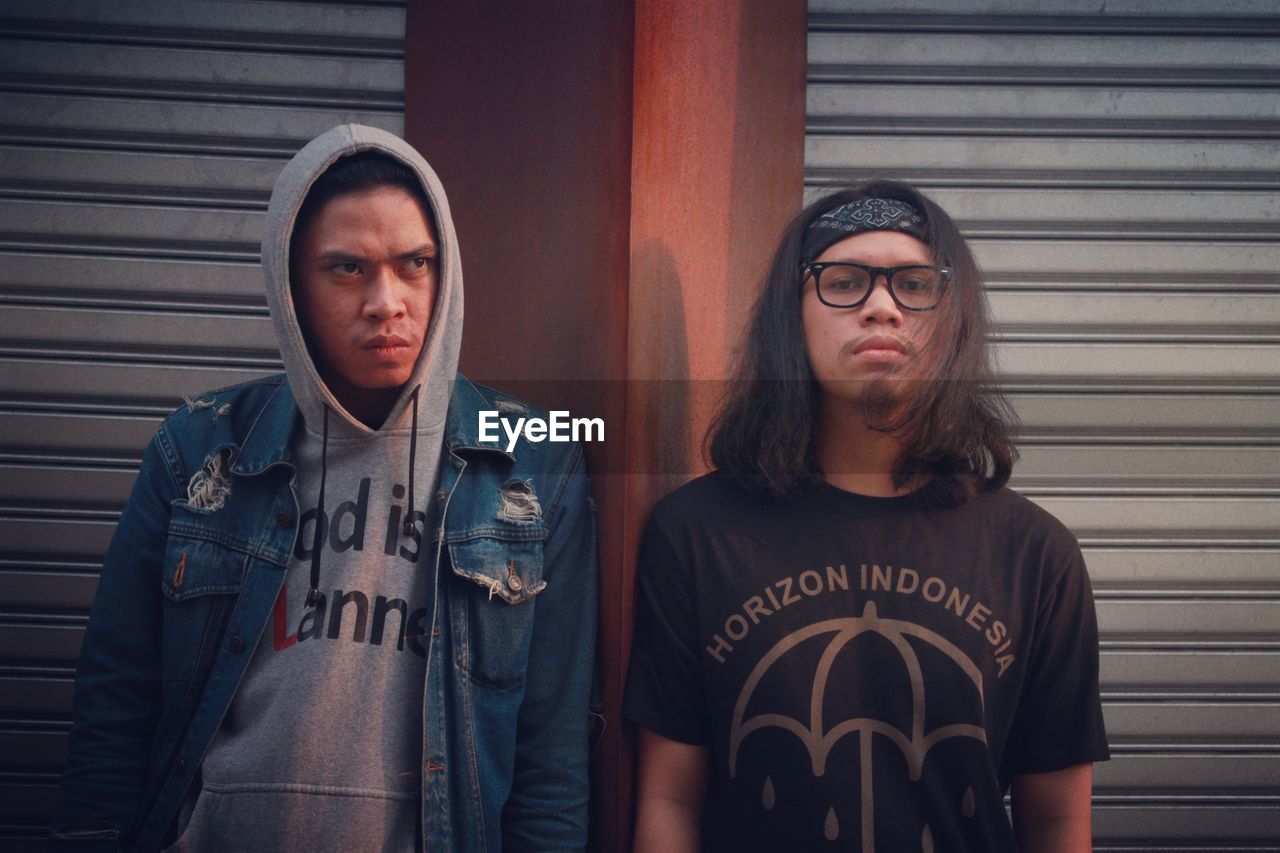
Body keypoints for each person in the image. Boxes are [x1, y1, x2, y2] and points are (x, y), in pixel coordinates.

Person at [50, 125, 598, 852]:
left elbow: (552, 757)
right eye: (347, 269)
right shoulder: (197, 451)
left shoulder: (532, 464)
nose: (387, 301)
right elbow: (112, 719)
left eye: (415, 264)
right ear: (292, 287)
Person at [624, 181, 1109, 852]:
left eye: (915, 285)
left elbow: (1056, 820)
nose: (881, 307)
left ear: (954, 320)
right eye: (844, 282)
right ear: (790, 316)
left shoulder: (1034, 554)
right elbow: (669, 797)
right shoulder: (696, 533)